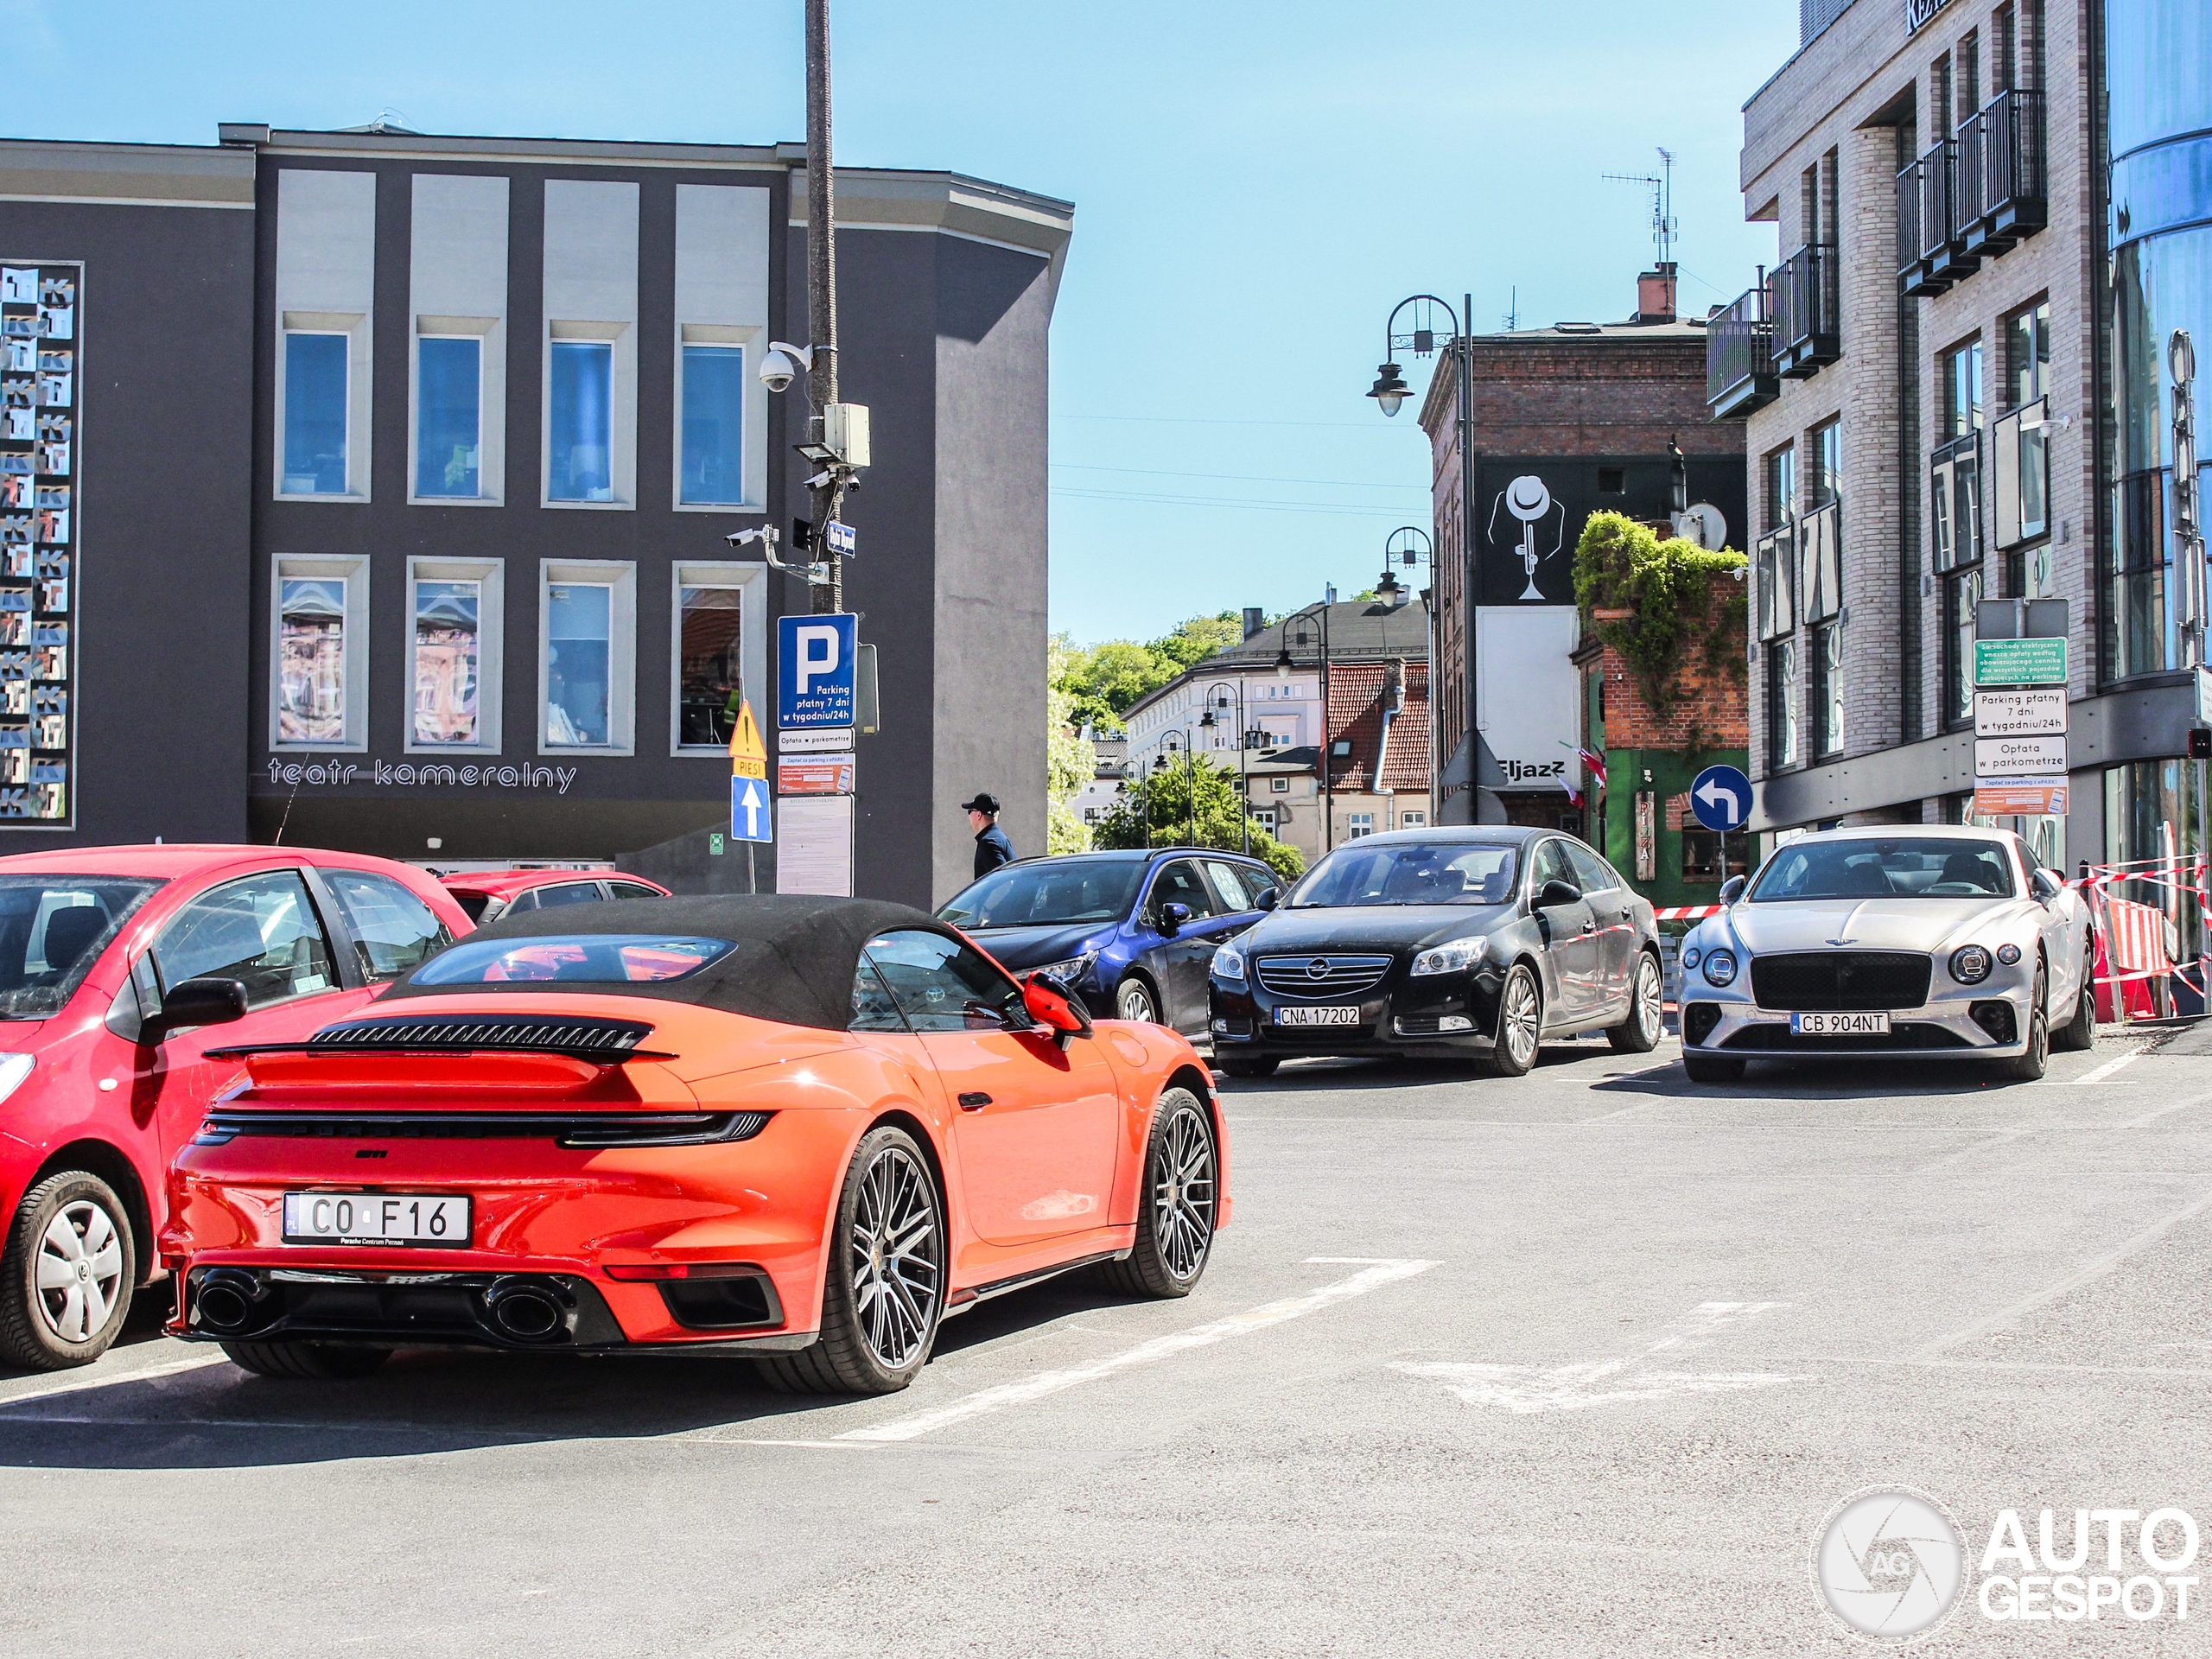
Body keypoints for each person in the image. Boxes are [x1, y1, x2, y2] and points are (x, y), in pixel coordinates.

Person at [963, 791, 1015, 878]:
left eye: (970, 811)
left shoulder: (988, 843)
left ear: (979, 814)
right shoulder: (1000, 838)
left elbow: (1003, 879)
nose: (969, 816)